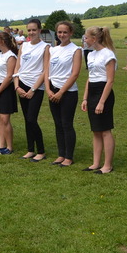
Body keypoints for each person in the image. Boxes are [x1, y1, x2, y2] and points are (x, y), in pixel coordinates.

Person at [45, 21, 82, 167]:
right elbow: (47, 71)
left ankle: (69, 157)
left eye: (65, 32)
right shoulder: (53, 50)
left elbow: (75, 74)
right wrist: (48, 90)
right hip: (52, 91)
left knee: (66, 124)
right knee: (58, 124)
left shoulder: (76, 50)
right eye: (59, 32)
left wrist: (61, 92)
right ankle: (61, 154)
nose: (62, 35)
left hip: (68, 92)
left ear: (71, 33)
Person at [81, 26, 117, 174]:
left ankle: (107, 165)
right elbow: (90, 78)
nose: (84, 40)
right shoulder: (90, 55)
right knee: (95, 130)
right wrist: (85, 98)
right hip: (92, 92)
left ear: (94, 38)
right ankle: (96, 163)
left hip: (104, 92)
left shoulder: (108, 54)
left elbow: (110, 80)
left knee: (105, 130)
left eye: (86, 37)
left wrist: (101, 102)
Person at [13, 18, 49, 162]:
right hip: (21, 85)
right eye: (29, 30)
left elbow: (45, 70)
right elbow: (17, 68)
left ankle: (41, 151)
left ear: (39, 30)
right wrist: (17, 86)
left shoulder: (45, 47)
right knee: (27, 120)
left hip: (36, 87)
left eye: (34, 30)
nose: (31, 32)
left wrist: (33, 89)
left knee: (32, 119)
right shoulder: (23, 46)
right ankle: (30, 150)